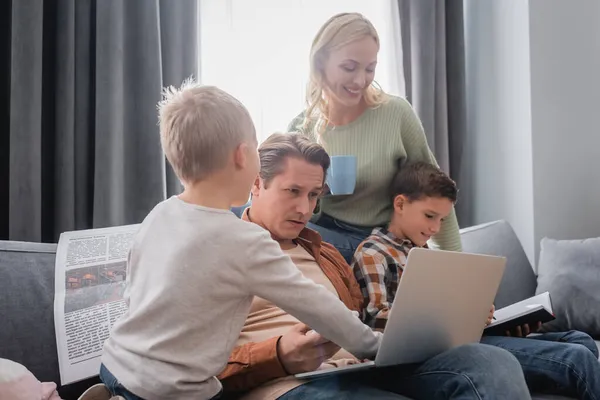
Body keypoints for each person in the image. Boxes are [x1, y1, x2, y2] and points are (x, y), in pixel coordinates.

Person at [99, 83, 383, 400]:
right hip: (172, 390)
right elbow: (318, 306)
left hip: (116, 364)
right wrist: (375, 345)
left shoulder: (160, 214)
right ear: (243, 155)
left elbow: (132, 295)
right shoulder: (245, 241)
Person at [219, 133, 531, 400]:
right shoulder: (221, 254)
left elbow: (362, 324)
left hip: (360, 369)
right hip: (286, 385)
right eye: (293, 191)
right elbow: (192, 367)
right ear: (257, 184)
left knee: (489, 362)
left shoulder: (324, 253)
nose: (305, 209)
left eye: (314, 195)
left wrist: (453, 320)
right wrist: (279, 355)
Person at [352, 161, 600, 399]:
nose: (436, 228)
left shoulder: (426, 253)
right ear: (400, 204)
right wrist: (453, 317)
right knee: (575, 357)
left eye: (442, 219)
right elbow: (375, 321)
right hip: (424, 359)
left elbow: (448, 311)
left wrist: (479, 315)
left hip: (467, 340)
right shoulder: (374, 253)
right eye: (430, 216)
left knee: (581, 340)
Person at [287, 12, 461, 263]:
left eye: (370, 69)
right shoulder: (302, 128)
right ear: (320, 63)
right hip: (325, 236)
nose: (360, 80)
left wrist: (456, 264)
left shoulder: (396, 114)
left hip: (380, 244)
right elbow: (294, 207)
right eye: (349, 67)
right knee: (251, 214)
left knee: (252, 223)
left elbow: (437, 192)